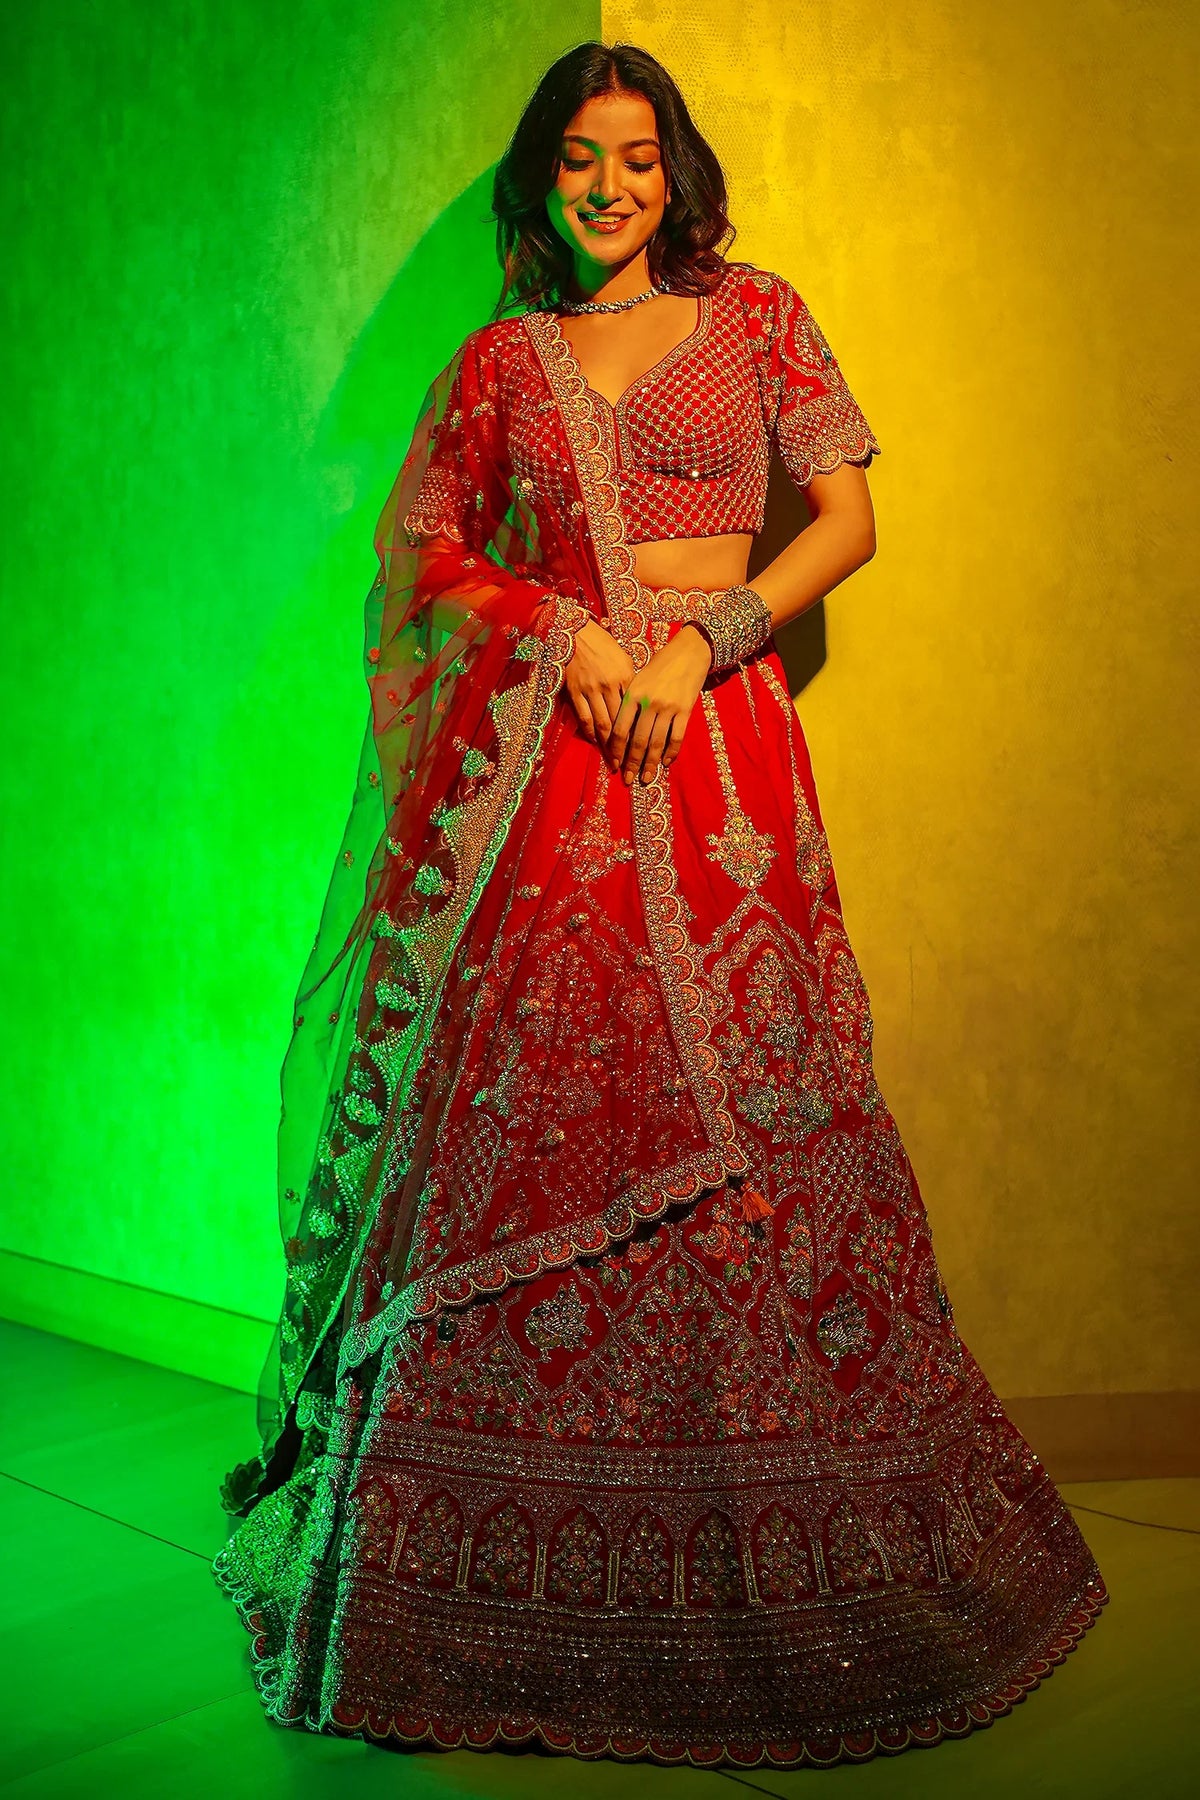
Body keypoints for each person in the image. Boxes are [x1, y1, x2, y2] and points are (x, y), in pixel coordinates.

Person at [212, 40, 1107, 1773]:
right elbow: (427, 559)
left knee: (765, 1104)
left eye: (635, 156)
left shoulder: (758, 315)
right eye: (578, 158)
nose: (609, 186)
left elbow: (845, 518)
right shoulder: (501, 362)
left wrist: (707, 642)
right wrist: (565, 636)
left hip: (721, 758)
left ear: (672, 170)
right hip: (553, 772)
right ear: (542, 179)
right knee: (538, 1105)